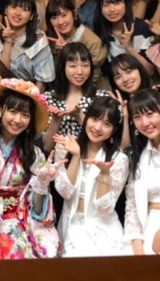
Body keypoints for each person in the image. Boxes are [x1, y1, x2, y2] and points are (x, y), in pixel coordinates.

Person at [0, 79, 62, 259]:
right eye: (13, 111)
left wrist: (42, 185)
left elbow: (37, 210)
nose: (18, 120)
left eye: (25, 115)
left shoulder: (34, 154)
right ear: (0, 110)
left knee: (48, 251)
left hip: (24, 219)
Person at [53, 97, 130, 256]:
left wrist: (104, 174)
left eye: (106, 124)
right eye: (94, 119)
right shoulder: (64, 147)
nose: (97, 127)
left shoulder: (119, 159)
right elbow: (64, 192)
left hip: (105, 231)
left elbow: (104, 208)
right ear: (86, 118)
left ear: (114, 129)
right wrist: (76, 156)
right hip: (71, 226)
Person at [124, 88, 160, 255]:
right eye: (137, 117)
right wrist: (138, 249)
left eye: (150, 114)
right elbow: (132, 207)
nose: (145, 122)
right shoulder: (136, 154)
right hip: (148, 225)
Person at [42, 42, 111, 147]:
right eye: (73, 66)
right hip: (59, 155)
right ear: (62, 68)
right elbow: (46, 147)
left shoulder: (101, 97)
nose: (80, 72)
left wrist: (80, 117)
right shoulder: (48, 98)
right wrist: (56, 120)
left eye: (85, 65)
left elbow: (108, 141)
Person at [0, 0, 55, 90]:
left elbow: (41, 82)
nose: (18, 13)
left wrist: (31, 98)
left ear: (31, 16)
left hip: (31, 92)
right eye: (14, 7)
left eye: (24, 9)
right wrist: (8, 42)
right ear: (6, 10)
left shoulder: (39, 41)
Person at [45, 0, 108, 89]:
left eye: (64, 15)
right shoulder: (52, 39)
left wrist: (68, 51)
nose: (60, 22)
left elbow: (93, 78)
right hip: (59, 90)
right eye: (54, 18)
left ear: (74, 14)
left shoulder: (92, 41)